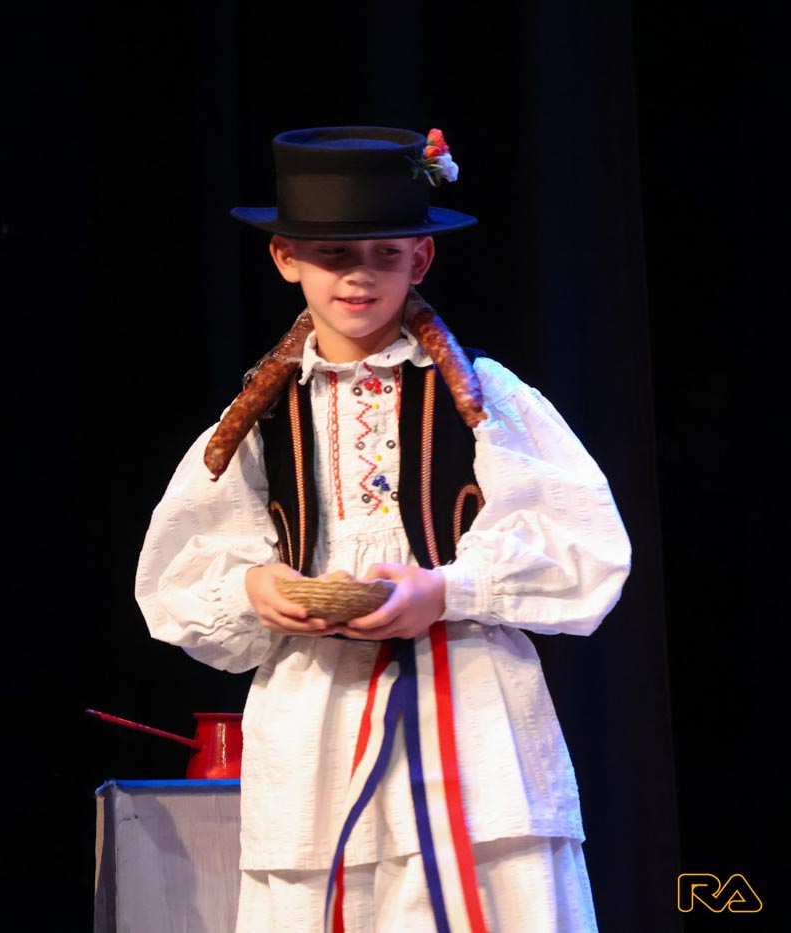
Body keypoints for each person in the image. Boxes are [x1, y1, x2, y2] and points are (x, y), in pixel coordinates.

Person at [135, 127, 630, 932]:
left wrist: (447, 589)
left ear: (420, 259)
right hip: (316, 726)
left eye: (384, 253)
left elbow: (584, 544)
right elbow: (179, 571)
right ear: (286, 257)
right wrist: (256, 588)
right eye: (332, 254)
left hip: (467, 715)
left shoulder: (485, 395)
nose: (358, 274)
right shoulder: (262, 415)